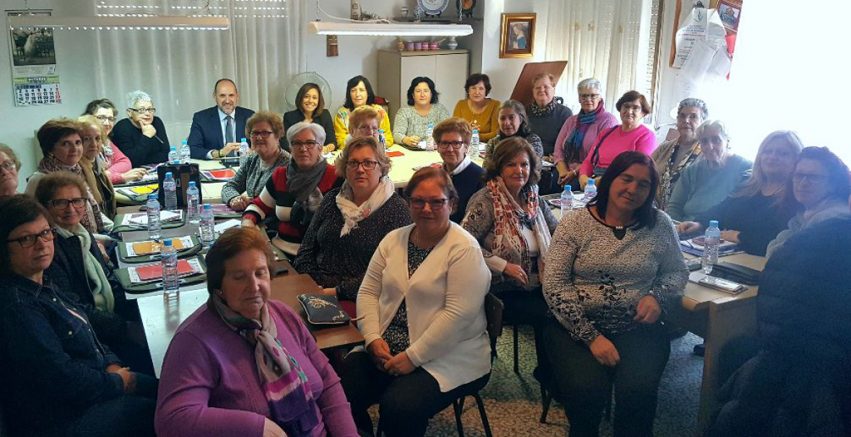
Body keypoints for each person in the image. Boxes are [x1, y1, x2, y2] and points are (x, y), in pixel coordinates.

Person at [155, 227, 358, 437]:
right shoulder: (194, 340)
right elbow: (173, 420)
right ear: (218, 286)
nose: (253, 286)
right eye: (239, 277)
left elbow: (328, 383)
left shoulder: (283, 315)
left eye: (260, 273)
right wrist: (255, 426)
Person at [542, 151, 689, 437]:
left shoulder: (660, 225)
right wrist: (591, 337)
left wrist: (657, 296)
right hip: (575, 328)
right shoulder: (575, 224)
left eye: (643, 184)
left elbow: (677, 272)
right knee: (587, 392)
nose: (633, 189)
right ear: (610, 180)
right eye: (627, 179)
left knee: (638, 393)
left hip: (638, 327)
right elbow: (555, 285)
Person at [340, 167, 491, 437]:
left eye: (437, 201)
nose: (426, 208)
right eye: (418, 201)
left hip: (448, 354)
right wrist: (373, 338)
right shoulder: (394, 240)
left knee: (400, 406)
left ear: (452, 204)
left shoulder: (464, 249)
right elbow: (368, 292)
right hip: (385, 348)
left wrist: (413, 357)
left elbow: (457, 316)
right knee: (340, 386)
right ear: (408, 203)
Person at [0, 195, 157, 437]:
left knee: (171, 383)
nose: (41, 244)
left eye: (45, 233)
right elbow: (62, 378)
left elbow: (87, 331)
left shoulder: (44, 283)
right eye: (26, 239)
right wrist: (121, 382)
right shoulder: (17, 307)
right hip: (67, 419)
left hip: (96, 385)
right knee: (172, 408)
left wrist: (112, 364)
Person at [707, 216, 851, 436]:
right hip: (820, 373)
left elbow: (772, 309)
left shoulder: (812, 236)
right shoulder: (817, 232)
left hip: (780, 358)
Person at [35, 172, 152, 374]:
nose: (71, 209)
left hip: (109, 320)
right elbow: (77, 309)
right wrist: (127, 328)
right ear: (45, 207)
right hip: (97, 337)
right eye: (60, 203)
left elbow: (109, 279)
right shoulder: (50, 251)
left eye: (77, 201)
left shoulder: (81, 234)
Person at [462, 136, 557, 379]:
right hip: (500, 287)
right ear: (499, 168)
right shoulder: (486, 200)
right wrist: (504, 266)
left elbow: (557, 233)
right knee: (549, 313)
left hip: (537, 282)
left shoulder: (534, 197)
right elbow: (463, 245)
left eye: (524, 164)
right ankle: (549, 374)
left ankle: (556, 374)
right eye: (511, 165)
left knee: (564, 304)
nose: (519, 170)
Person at [294, 136, 410, 312]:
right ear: (345, 168)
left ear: (382, 168)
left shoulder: (396, 209)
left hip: (364, 298)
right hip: (316, 290)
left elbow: (390, 271)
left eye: (368, 163)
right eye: (353, 163)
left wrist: (337, 292)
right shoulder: (332, 200)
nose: (360, 169)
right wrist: (312, 284)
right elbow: (306, 250)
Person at [677, 131, 803, 256]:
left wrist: (739, 237)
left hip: (756, 265)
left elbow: (780, 239)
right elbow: (722, 209)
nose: (772, 157)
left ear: (797, 160)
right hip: (725, 258)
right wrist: (700, 223)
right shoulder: (748, 184)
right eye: (768, 151)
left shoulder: (796, 196)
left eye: (783, 153)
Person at [242, 122, 341, 246]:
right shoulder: (281, 175)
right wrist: (248, 223)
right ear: (290, 148)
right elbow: (259, 206)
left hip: (318, 254)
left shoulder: (335, 177)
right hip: (281, 251)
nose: (303, 148)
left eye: (310, 143)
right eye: (297, 143)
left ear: (320, 147)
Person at [25, 118, 108, 234]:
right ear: (50, 149)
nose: (74, 149)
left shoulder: (79, 170)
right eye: (65, 144)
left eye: (78, 143)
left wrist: (115, 228)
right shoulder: (39, 179)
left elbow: (90, 209)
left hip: (93, 238)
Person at [765, 146, 851, 257]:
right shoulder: (803, 215)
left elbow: (781, 257)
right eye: (799, 175)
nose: (803, 183)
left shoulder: (833, 218)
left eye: (814, 177)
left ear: (832, 184)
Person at [666, 120, 753, 221]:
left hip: (722, 232)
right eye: (704, 141)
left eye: (716, 140)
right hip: (685, 231)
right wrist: (678, 230)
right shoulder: (690, 172)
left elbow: (742, 213)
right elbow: (674, 208)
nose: (710, 147)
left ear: (727, 141)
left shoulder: (746, 169)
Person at [579, 90, 656, 189]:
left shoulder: (647, 136)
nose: (629, 111)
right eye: (626, 106)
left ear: (643, 113)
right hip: (594, 181)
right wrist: (583, 177)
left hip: (622, 184)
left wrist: (603, 181)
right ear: (620, 109)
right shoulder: (606, 133)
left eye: (635, 108)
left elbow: (638, 170)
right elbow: (589, 160)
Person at [553, 78, 619, 188]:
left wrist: (574, 172)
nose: (588, 99)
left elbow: (597, 155)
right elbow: (558, 149)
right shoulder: (572, 120)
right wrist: (563, 172)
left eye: (593, 95)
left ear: (600, 97)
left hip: (589, 175)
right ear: (579, 98)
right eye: (584, 96)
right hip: (564, 172)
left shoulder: (608, 121)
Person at [221, 111, 290, 212]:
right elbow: (229, 186)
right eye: (255, 133)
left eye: (265, 133)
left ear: (277, 136)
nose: (258, 137)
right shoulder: (252, 159)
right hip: (250, 216)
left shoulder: (287, 165)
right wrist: (234, 199)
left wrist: (251, 203)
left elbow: (281, 205)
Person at [652, 98, 709, 210]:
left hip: (687, 217)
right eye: (682, 116)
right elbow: (645, 172)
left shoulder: (707, 152)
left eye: (693, 116)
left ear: (703, 122)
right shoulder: (664, 148)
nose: (686, 120)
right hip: (655, 211)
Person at [188, 78, 256, 160]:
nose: (227, 101)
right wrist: (218, 153)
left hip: (244, 168)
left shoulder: (250, 116)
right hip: (215, 168)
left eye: (231, 95)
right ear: (215, 96)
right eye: (222, 96)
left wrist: (252, 152)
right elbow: (192, 149)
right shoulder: (201, 118)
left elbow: (261, 145)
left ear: (237, 96)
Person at [84, 98, 148, 184]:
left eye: (111, 119)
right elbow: (89, 180)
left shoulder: (105, 141)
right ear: (89, 118)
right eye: (101, 118)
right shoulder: (82, 142)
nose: (107, 123)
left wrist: (107, 174)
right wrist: (121, 177)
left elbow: (125, 162)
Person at [434, 117, 484, 223]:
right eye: (444, 143)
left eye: (456, 143)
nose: (450, 149)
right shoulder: (436, 175)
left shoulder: (481, 178)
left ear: (466, 147)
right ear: (438, 147)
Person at [111, 90, 171, 167]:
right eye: (141, 110)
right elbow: (131, 161)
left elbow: (166, 155)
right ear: (129, 112)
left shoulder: (157, 122)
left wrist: (144, 159)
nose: (147, 113)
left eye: (150, 109)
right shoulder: (122, 127)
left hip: (155, 170)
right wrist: (146, 136)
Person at [334, 75, 392, 147]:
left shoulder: (379, 111)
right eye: (353, 90)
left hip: (376, 151)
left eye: (361, 90)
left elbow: (388, 139)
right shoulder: (342, 114)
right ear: (349, 94)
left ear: (368, 93)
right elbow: (340, 140)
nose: (357, 94)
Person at [393, 76, 450, 148]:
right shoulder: (404, 112)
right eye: (418, 91)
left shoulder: (441, 110)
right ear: (413, 95)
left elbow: (449, 132)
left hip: (436, 151)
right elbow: (397, 134)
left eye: (426, 91)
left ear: (431, 94)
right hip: (411, 152)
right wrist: (406, 139)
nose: (422, 95)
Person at [79, 114, 117, 219]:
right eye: (86, 139)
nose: (94, 144)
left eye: (97, 138)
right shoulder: (77, 169)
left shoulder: (97, 161)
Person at [527, 73, 573, 159]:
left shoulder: (565, 113)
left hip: (554, 161)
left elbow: (567, 144)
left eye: (546, 87)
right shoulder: (525, 112)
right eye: (537, 87)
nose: (542, 90)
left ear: (553, 90)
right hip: (529, 160)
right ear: (533, 91)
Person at [283, 82, 336, 153]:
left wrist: (326, 148)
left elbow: (332, 142)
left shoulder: (325, 115)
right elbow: (284, 143)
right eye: (306, 97)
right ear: (300, 98)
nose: (310, 101)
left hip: (320, 157)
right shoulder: (289, 117)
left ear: (319, 100)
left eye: (314, 98)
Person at [452, 73, 501, 142]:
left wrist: (473, 136)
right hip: (464, 144)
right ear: (468, 90)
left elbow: (496, 133)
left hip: (487, 147)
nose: (477, 92)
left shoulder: (495, 105)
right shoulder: (461, 104)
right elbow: (454, 129)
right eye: (473, 88)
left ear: (486, 91)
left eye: (481, 89)